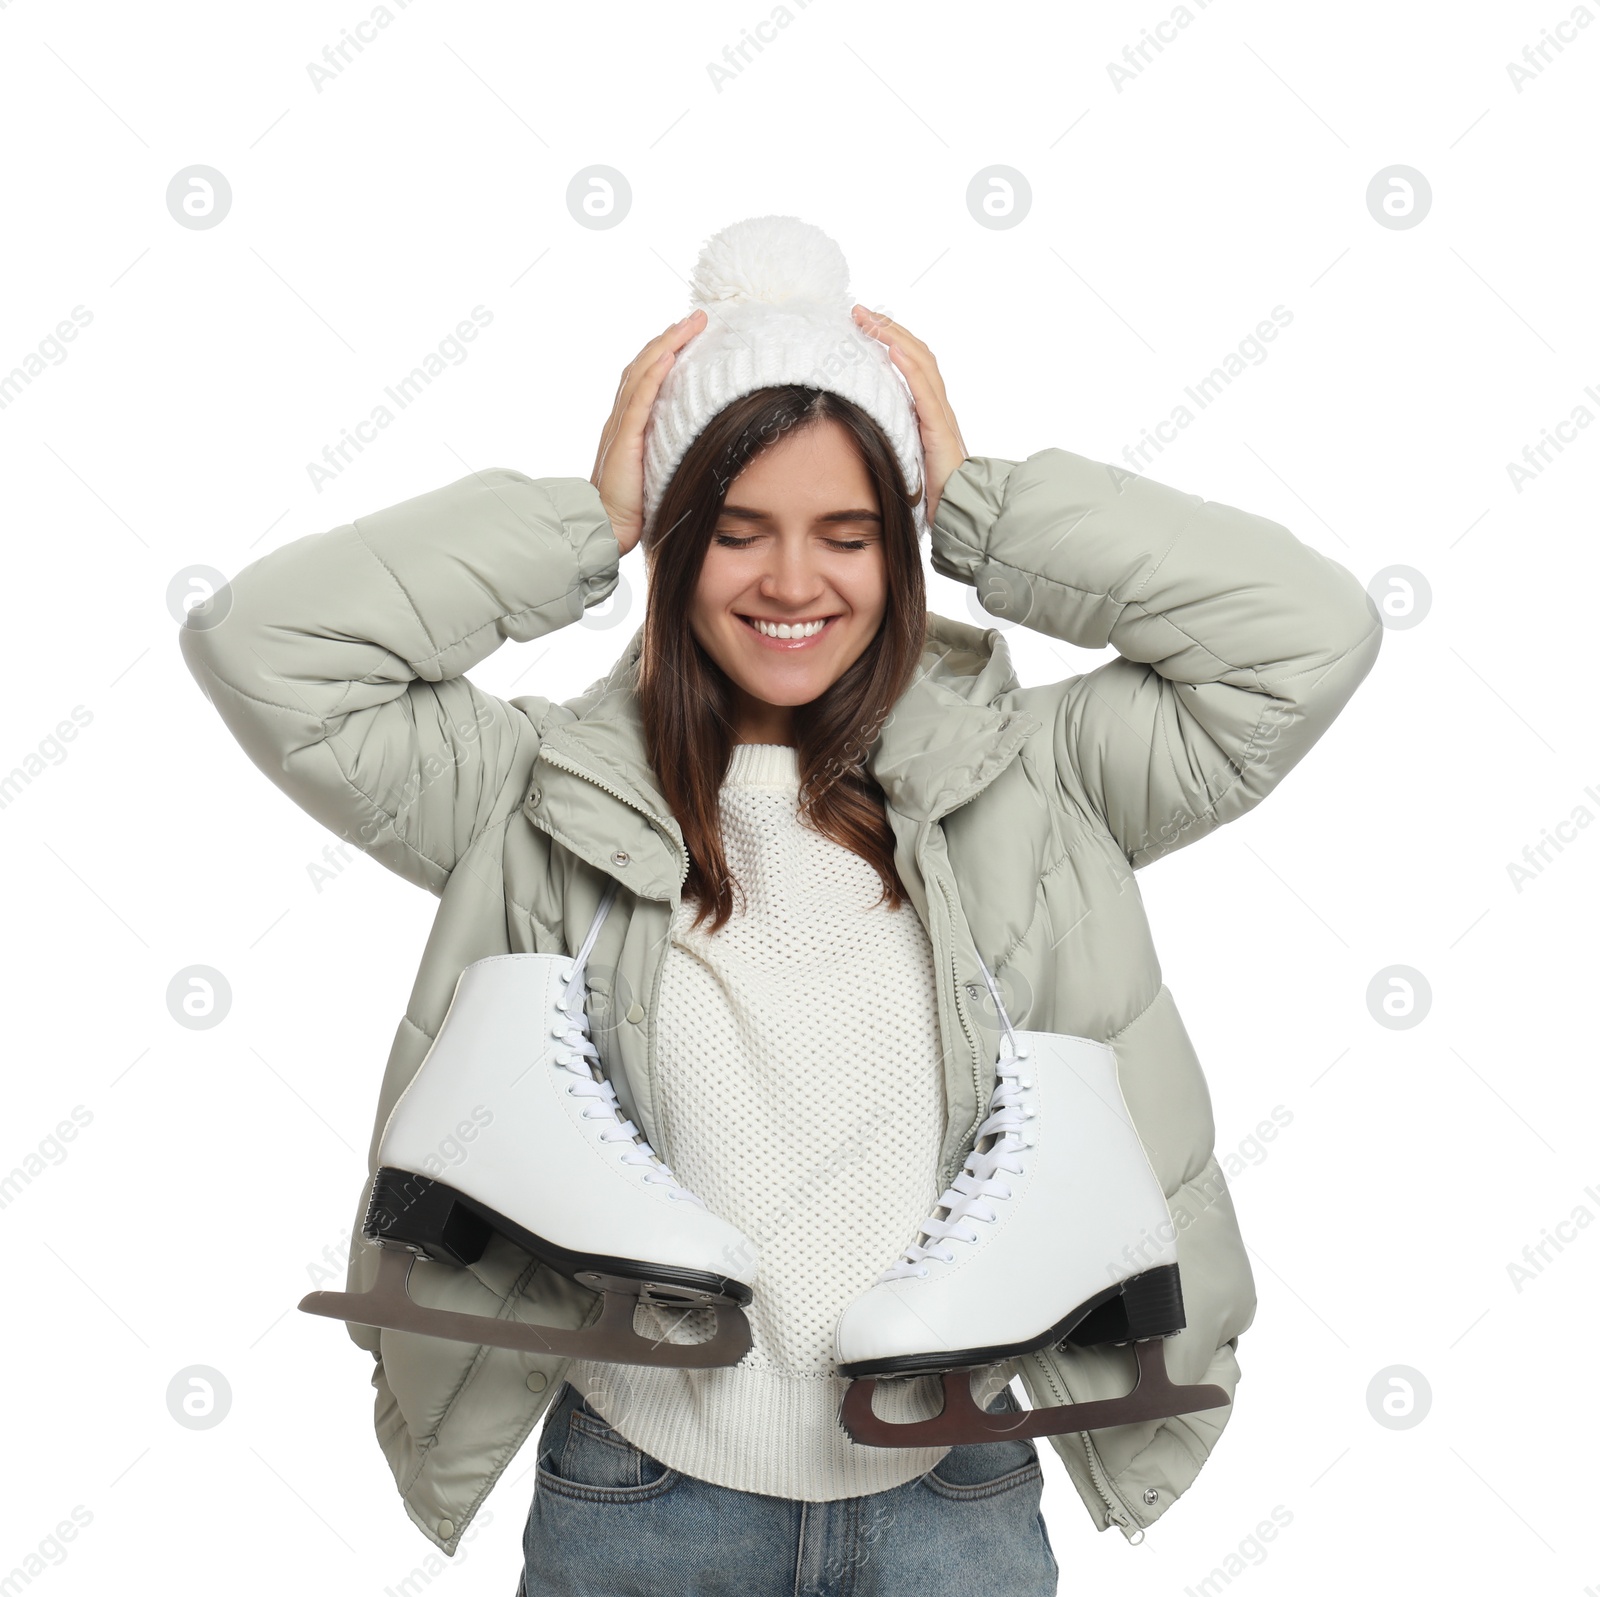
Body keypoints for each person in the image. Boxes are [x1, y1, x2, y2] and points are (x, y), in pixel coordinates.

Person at [178, 217, 1382, 1595]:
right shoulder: (525, 793)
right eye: (735, 529)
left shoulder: (1047, 778)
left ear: (902, 546)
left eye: (848, 533)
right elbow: (266, 650)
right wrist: (589, 518)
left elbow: (1307, 633)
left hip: (957, 1488)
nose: (793, 582)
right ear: (674, 544)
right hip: (639, 1489)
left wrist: (983, 501)